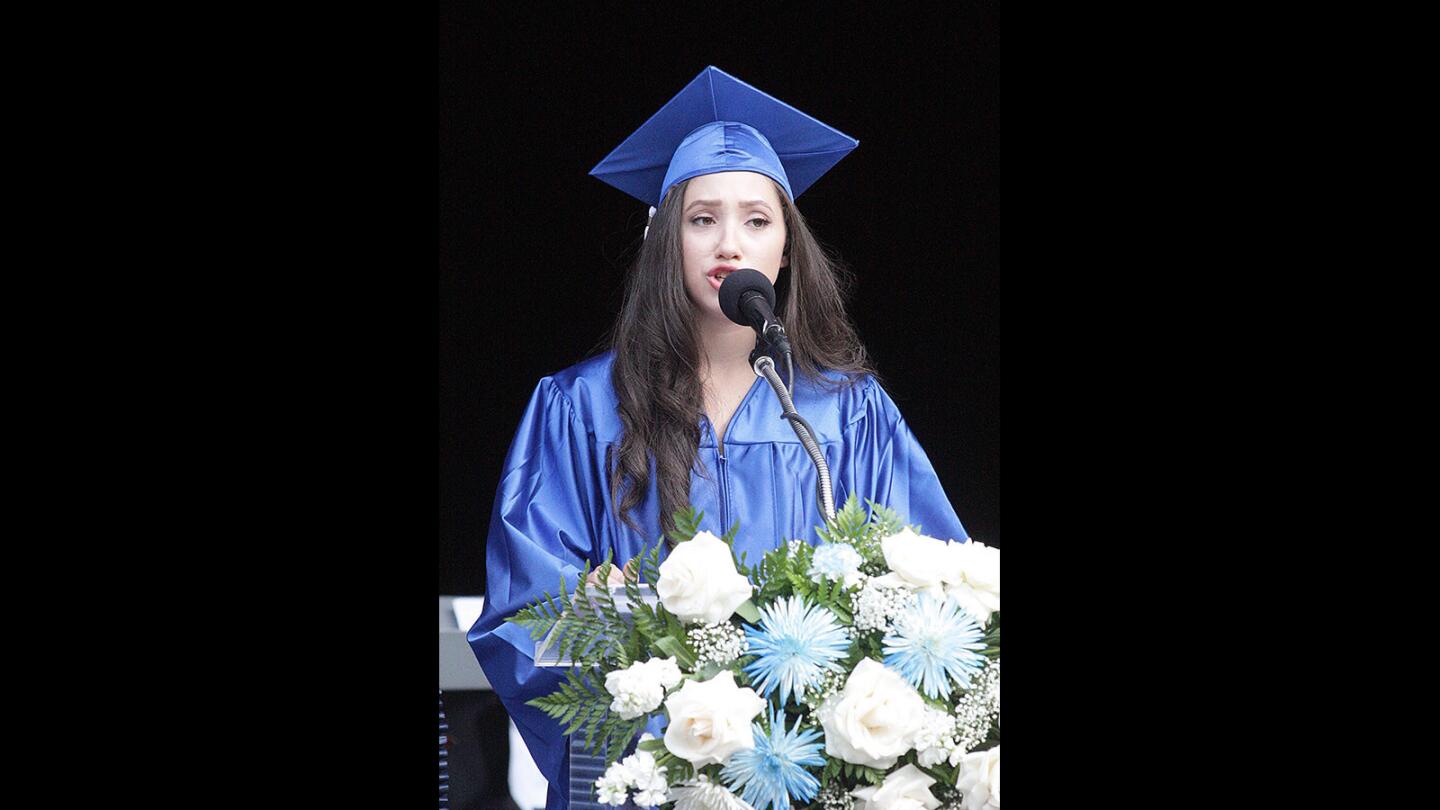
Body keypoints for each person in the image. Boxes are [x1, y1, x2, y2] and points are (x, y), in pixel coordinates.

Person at [468, 66, 969, 810]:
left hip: (817, 783)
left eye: (756, 221)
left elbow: (936, 601)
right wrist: (664, 693)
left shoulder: (848, 414)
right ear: (663, 238)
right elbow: (526, 614)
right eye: (702, 218)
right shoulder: (580, 409)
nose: (728, 243)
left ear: (787, 251)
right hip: (655, 780)